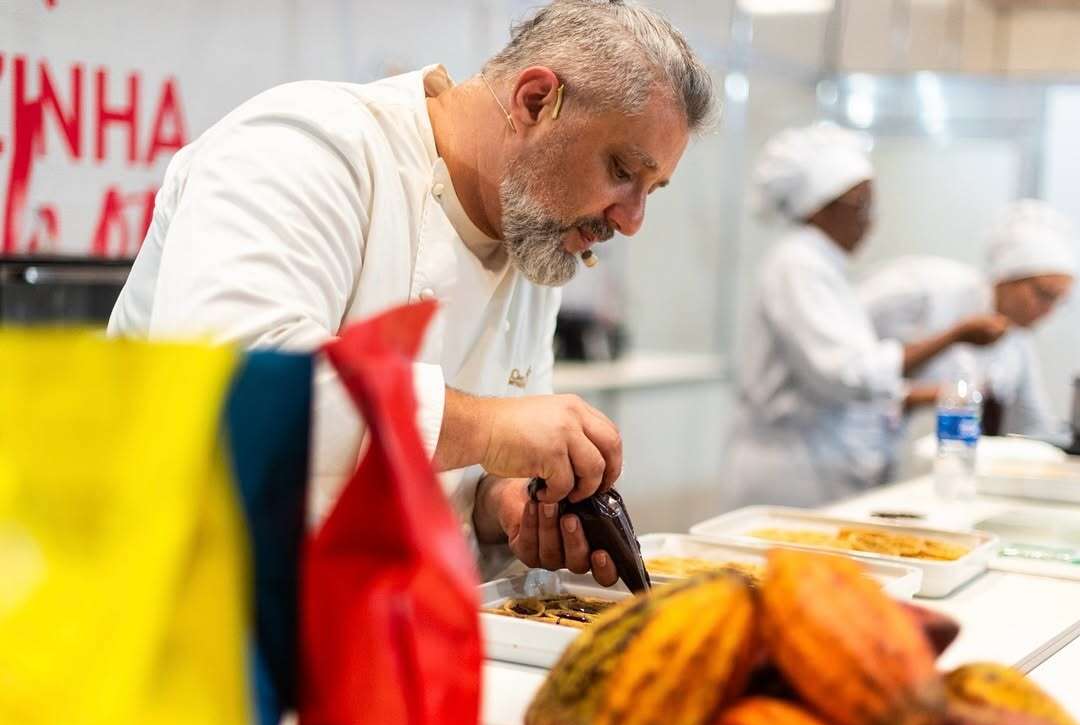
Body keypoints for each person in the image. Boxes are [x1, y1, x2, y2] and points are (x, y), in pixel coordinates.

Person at [107, 0, 714, 583]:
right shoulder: (307, 146)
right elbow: (238, 389)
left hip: (379, 634)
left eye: (650, 190)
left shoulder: (534, 231)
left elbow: (453, 472)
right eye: (621, 171)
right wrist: (492, 431)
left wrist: (502, 503)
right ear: (536, 101)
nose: (631, 220)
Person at [725, 123, 1006, 509]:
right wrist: (953, 335)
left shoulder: (822, 266)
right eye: (860, 205)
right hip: (794, 472)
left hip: (820, 463)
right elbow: (847, 374)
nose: (869, 220)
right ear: (820, 207)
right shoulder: (798, 264)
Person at [862, 199, 1076, 447]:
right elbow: (846, 369)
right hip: (850, 454)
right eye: (1044, 295)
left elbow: (1032, 423)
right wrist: (927, 390)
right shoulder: (923, 288)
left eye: (1059, 301)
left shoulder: (1017, 340)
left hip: (945, 467)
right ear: (1007, 277)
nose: (1048, 311)